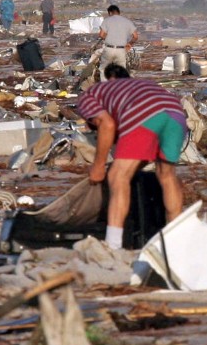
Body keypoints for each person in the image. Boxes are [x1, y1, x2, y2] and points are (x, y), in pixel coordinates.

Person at [77, 65, 187, 250]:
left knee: (117, 176)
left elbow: (107, 124)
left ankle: (113, 246)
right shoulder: (144, 84)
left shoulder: (91, 93)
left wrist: (98, 166)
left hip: (143, 114)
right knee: (166, 175)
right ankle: (176, 240)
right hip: (176, 114)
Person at [97, 4, 138, 78]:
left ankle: (105, 87)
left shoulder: (107, 20)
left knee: (103, 69)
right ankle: (120, 88)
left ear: (110, 13)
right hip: (121, 50)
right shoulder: (127, 21)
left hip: (109, 49)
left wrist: (109, 37)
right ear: (119, 12)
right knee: (121, 71)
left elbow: (101, 35)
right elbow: (135, 36)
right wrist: (129, 43)